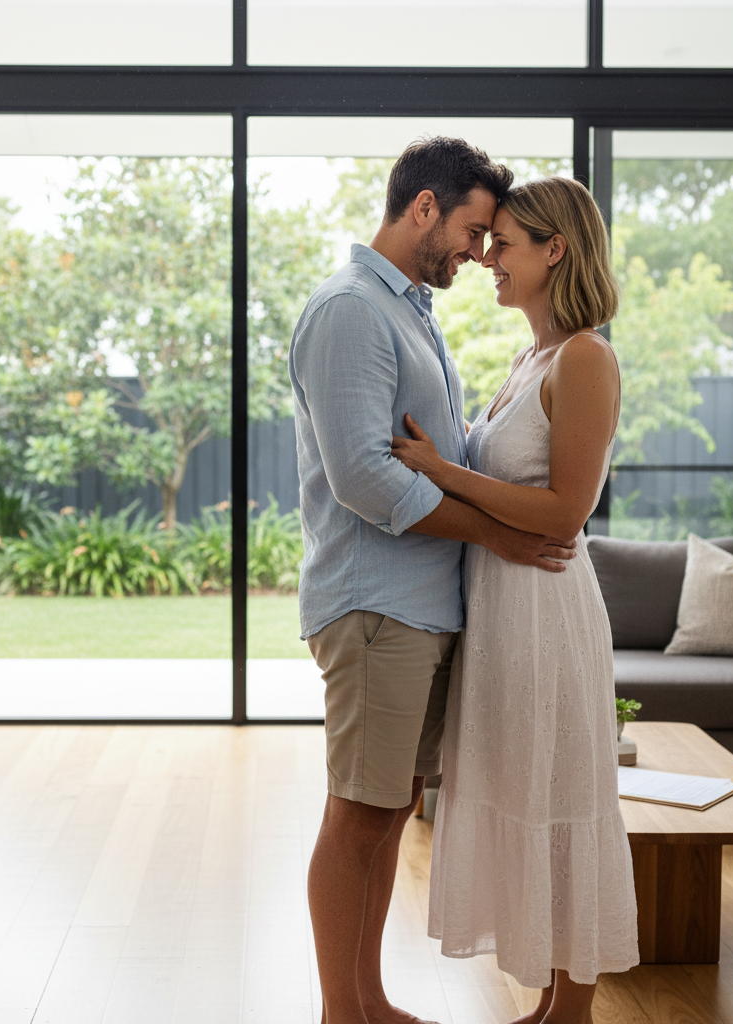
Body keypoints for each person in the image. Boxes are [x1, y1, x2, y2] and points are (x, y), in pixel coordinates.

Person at [288, 138, 579, 1024]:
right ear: (422, 207)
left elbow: (435, 459)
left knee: (387, 809)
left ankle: (369, 1000)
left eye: (491, 237)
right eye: (470, 229)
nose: (478, 251)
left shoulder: (409, 310)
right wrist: (498, 534)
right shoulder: (350, 311)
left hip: (419, 607)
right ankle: (346, 1012)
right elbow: (367, 479)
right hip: (377, 606)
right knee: (358, 814)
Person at [391, 176, 640, 1024]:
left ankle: (571, 1009)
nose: (486, 257)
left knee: (561, 795)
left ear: (555, 251)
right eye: (487, 241)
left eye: (504, 243)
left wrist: (441, 470)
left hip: (546, 614)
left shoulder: (586, 358)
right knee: (523, 791)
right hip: (503, 612)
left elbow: (569, 509)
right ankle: (547, 999)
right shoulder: (530, 357)